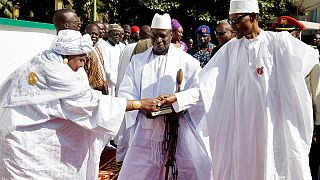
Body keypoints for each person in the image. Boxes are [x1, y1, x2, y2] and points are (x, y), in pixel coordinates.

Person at [0, 30, 160, 179]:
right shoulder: (57, 72)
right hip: (24, 141)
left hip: (13, 131)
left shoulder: (43, 59)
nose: (83, 65)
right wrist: (139, 104)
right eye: (82, 60)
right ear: (68, 56)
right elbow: (91, 104)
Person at [196, 0, 318, 179]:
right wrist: (177, 99)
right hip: (241, 131)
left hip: (273, 128)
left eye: (236, 20)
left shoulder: (279, 43)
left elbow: (311, 59)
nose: (233, 26)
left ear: (252, 17)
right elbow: (206, 85)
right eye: (230, 21)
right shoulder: (230, 50)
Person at [117, 13, 212, 180]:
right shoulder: (137, 61)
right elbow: (125, 91)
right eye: (154, 35)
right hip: (145, 131)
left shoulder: (188, 62)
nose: (158, 40)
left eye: (163, 35)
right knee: (138, 172)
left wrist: (178, 100)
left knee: (184, 170)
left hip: (178, 130)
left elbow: (200, 92)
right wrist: (140, 106)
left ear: (171, 35)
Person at [84, 23, 108, 94]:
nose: (94, 36)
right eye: (91, 34)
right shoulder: (84, 51)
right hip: (90, 89)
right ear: (85, 34)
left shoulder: (96, 49)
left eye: (96, 34)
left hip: (101, 88)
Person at [104, 23, 126, 96]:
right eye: (115, 34)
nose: (117, 36)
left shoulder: (120, 47)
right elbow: (105, 67)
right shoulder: (103, 46)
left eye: (119, 35)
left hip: (118, 81)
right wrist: (114, 80)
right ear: (109, 34)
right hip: (109, 82)